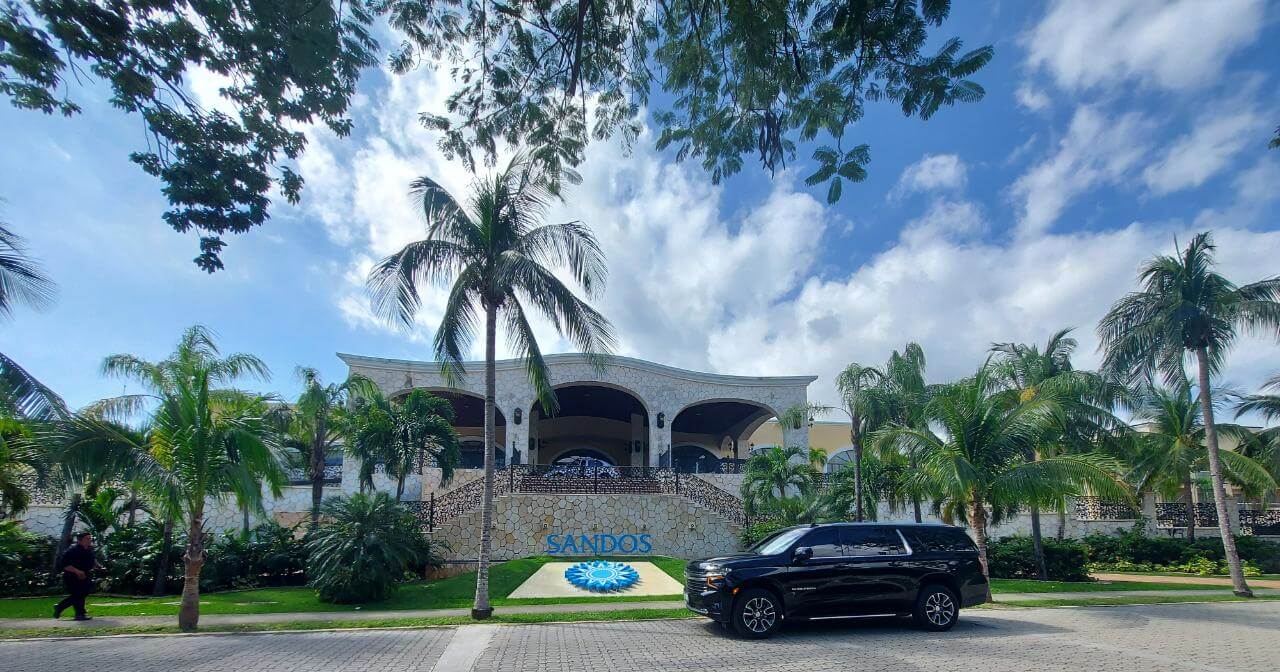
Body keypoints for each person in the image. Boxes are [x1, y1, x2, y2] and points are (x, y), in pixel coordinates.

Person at [54, 532, 99, 621]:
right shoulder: (72, 551)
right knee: (78, 594)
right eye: (87, 539)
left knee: (83, 593)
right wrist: (77, 572)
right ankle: (78, 613)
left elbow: (92, 559)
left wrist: (98, 566)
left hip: (85, 575)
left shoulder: (89, 549)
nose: (90, 541)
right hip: (72, 576)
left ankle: (63, 608)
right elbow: (65, 565)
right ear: (79, 540)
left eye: (90, 539)